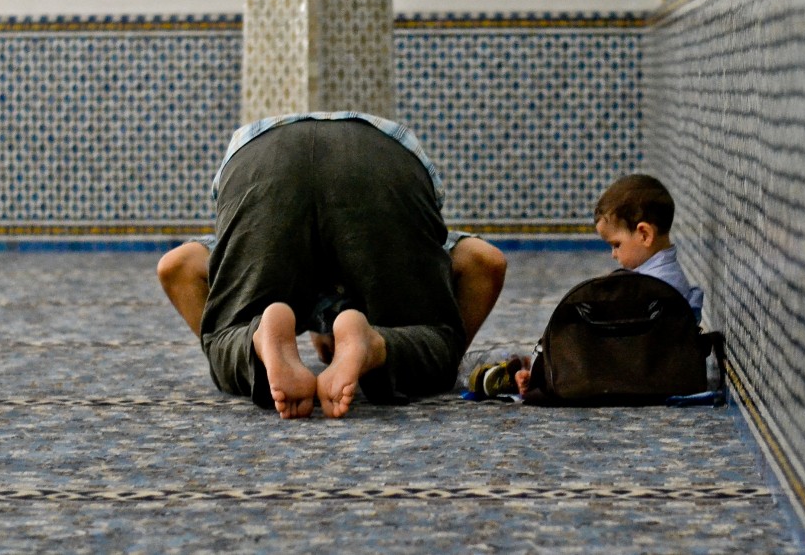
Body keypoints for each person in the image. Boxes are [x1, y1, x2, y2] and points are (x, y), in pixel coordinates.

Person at [194, 111, 501, 420]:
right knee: (435, 338)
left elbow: (176, 265)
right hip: (381, 156)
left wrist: (237, 319)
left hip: (257, 160)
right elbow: (488, 260)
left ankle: (257, 341)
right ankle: (373, 344)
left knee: (225, 334)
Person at [468, 173, 704, 399]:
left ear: (644, 234)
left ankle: (535, 371)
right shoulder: (666, 279)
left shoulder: (652, 288)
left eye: (616, 245)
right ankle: (534, 367)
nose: (613, 254)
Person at [158, 230, 507, 362]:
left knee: (176, 265)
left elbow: (176, 267)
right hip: (372, 268)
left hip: (280, 268)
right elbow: (487, 263)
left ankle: (250, 351)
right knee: (485, 260)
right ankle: (411, 357)